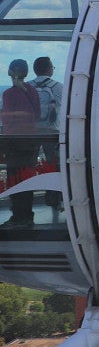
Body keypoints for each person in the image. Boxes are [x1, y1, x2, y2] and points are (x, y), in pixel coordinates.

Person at [1, 59, 40, 226]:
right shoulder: (32, 91)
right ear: (26, 73)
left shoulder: (9, 94)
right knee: (26, 177)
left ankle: (18, 216)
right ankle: (26, 215)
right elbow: (37, 115)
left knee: (14, 179)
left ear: (10, 72)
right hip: (30, 141)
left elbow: (7, 118)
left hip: (14, 142)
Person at [29, 56, 63, 210]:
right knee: (54, 164)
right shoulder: (59, 87)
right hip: (52, 131)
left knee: (29, 164)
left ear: (35, 70)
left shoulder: (27, 87)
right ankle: (54, 197)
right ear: (49, 69)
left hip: (31, 132)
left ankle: (26, 197)